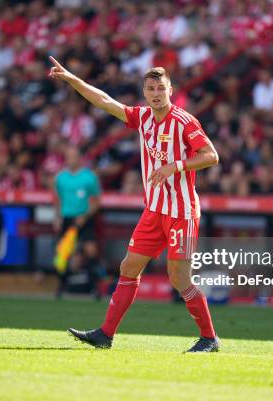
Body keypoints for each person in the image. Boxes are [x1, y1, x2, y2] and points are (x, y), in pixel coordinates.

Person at [49, 57, 220, 352]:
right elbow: (103, 100)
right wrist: (71, 79)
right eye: (151, 88)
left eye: (161, 88)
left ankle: (209, 338)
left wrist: (175, 166)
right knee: (128, 267)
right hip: (154, 211)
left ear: (171, 90)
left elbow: (211, 156)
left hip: (181, 212)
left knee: (179, 278)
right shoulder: (142, 118)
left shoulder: (184, 121)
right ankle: (106, 334)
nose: (156, 93)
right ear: (144, 91)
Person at [53, 147, 101, 298]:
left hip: (84, 219)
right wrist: (57, 217)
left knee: (91, 250)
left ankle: (95, 287)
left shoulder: (89, 177)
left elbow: (96, 202)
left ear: (80, 158)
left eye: (73, 156)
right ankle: (62, 285)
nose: (70, 159)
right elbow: (57, 199)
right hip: (67, 218)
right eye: (68, 156)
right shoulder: (60, 178)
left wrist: (85, 216)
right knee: (63, 252)